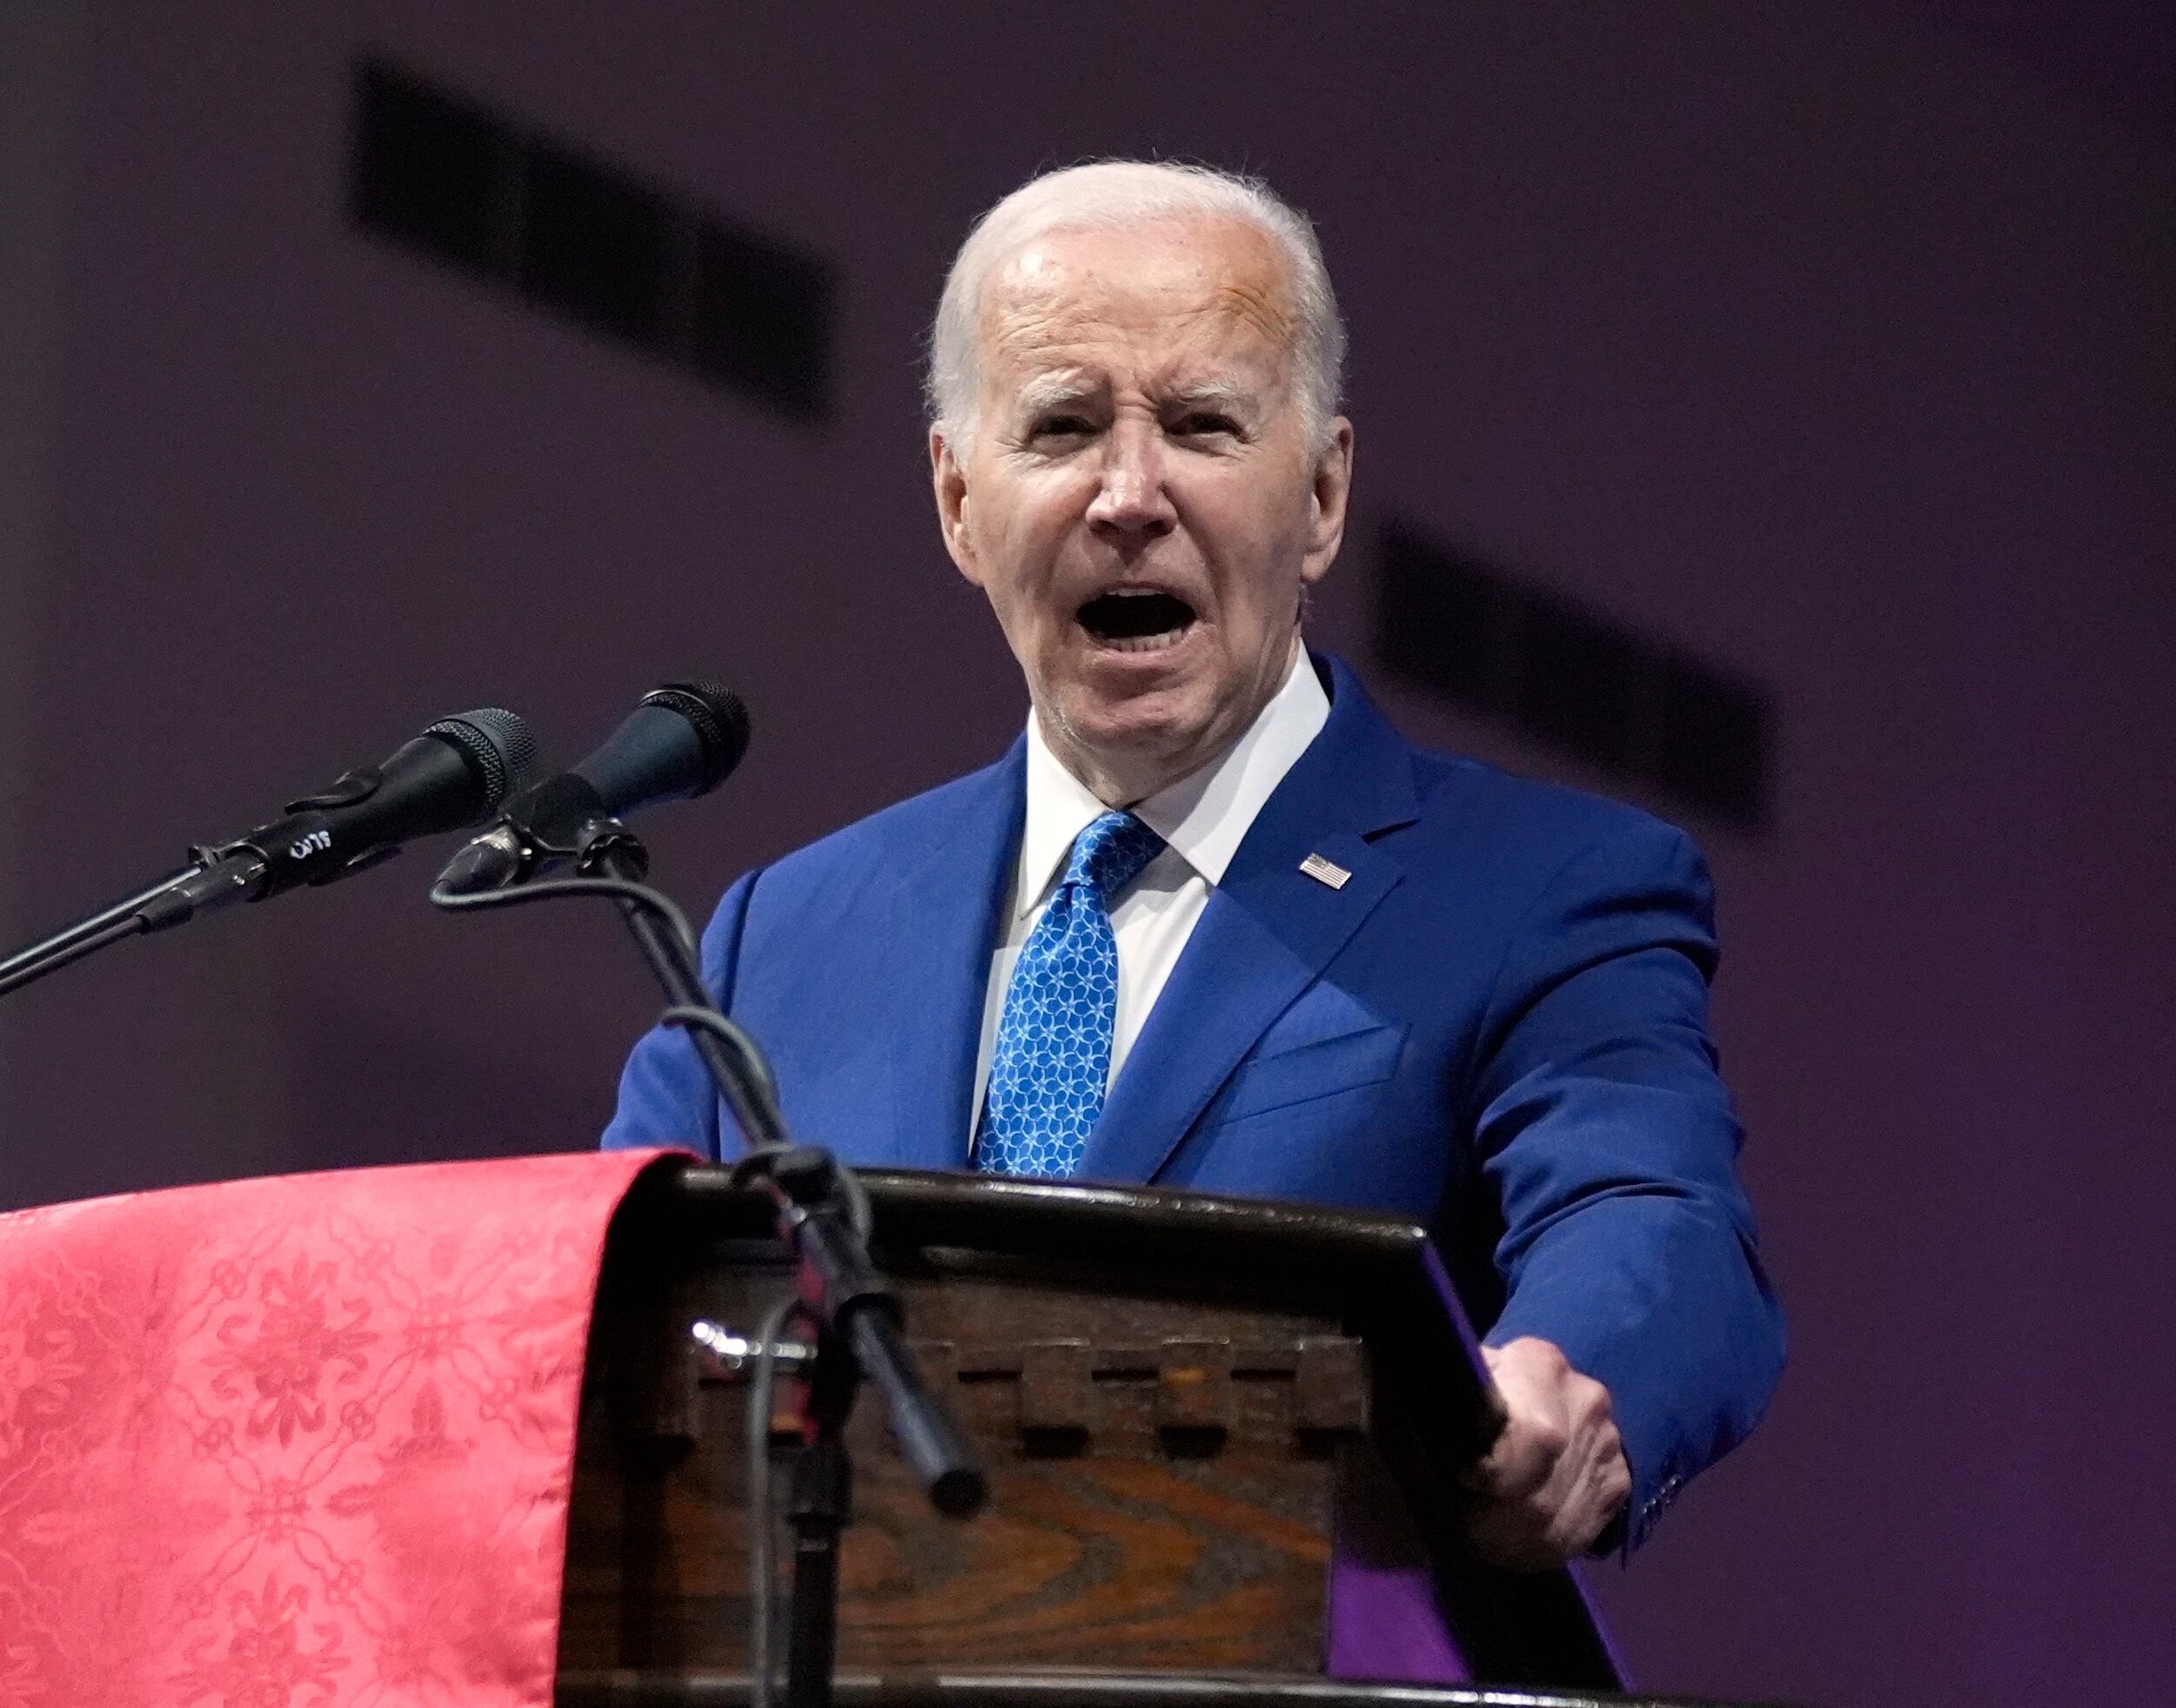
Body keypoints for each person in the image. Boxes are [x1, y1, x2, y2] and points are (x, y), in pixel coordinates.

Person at [604, 160, 1781, 1566]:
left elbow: (1649, 1211)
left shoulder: (1542, 887)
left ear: (1322, 495)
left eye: (1201, 425)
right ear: (958, 501)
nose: (1128, 494)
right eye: (1062, 426)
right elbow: (595, 1307)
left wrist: (1570, 1376)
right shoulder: (782, 936)